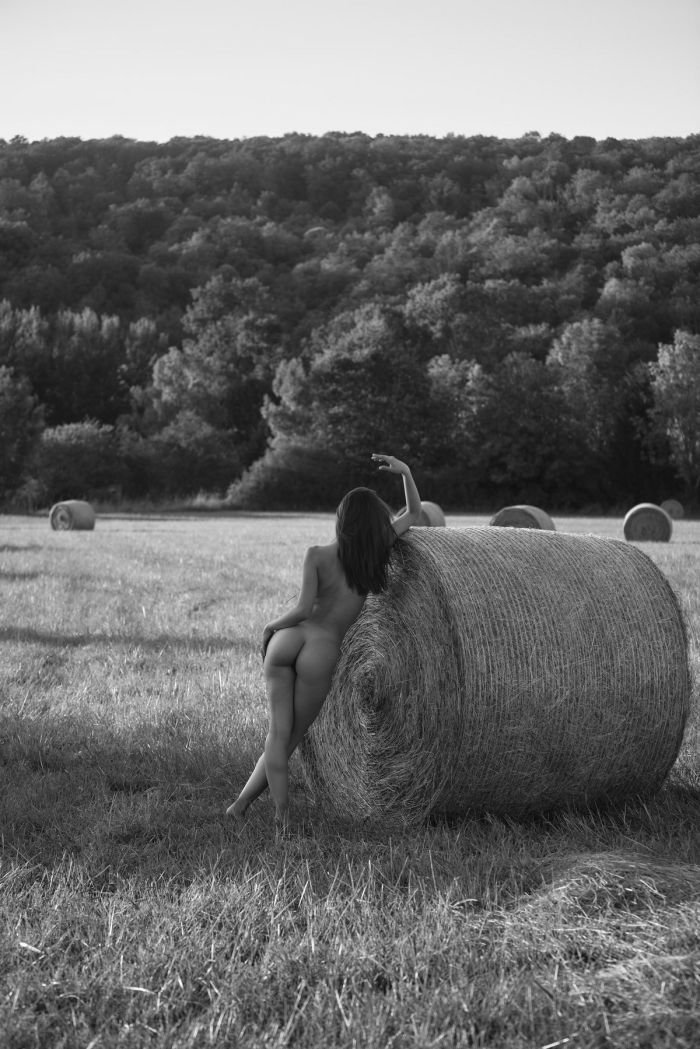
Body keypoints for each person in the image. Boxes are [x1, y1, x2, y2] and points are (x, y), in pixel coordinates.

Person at [226, 453, 422, 831]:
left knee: (276, 734)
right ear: (375, 523)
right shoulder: (376, 550)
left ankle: (239, 807)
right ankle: (282, 820)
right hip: (320, 648)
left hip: (288, 639)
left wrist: (270, 628)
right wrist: (406, 472)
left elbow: (301, 609)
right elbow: (414, 512)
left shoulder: (316, 554)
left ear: (341, 521)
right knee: (289, 739)